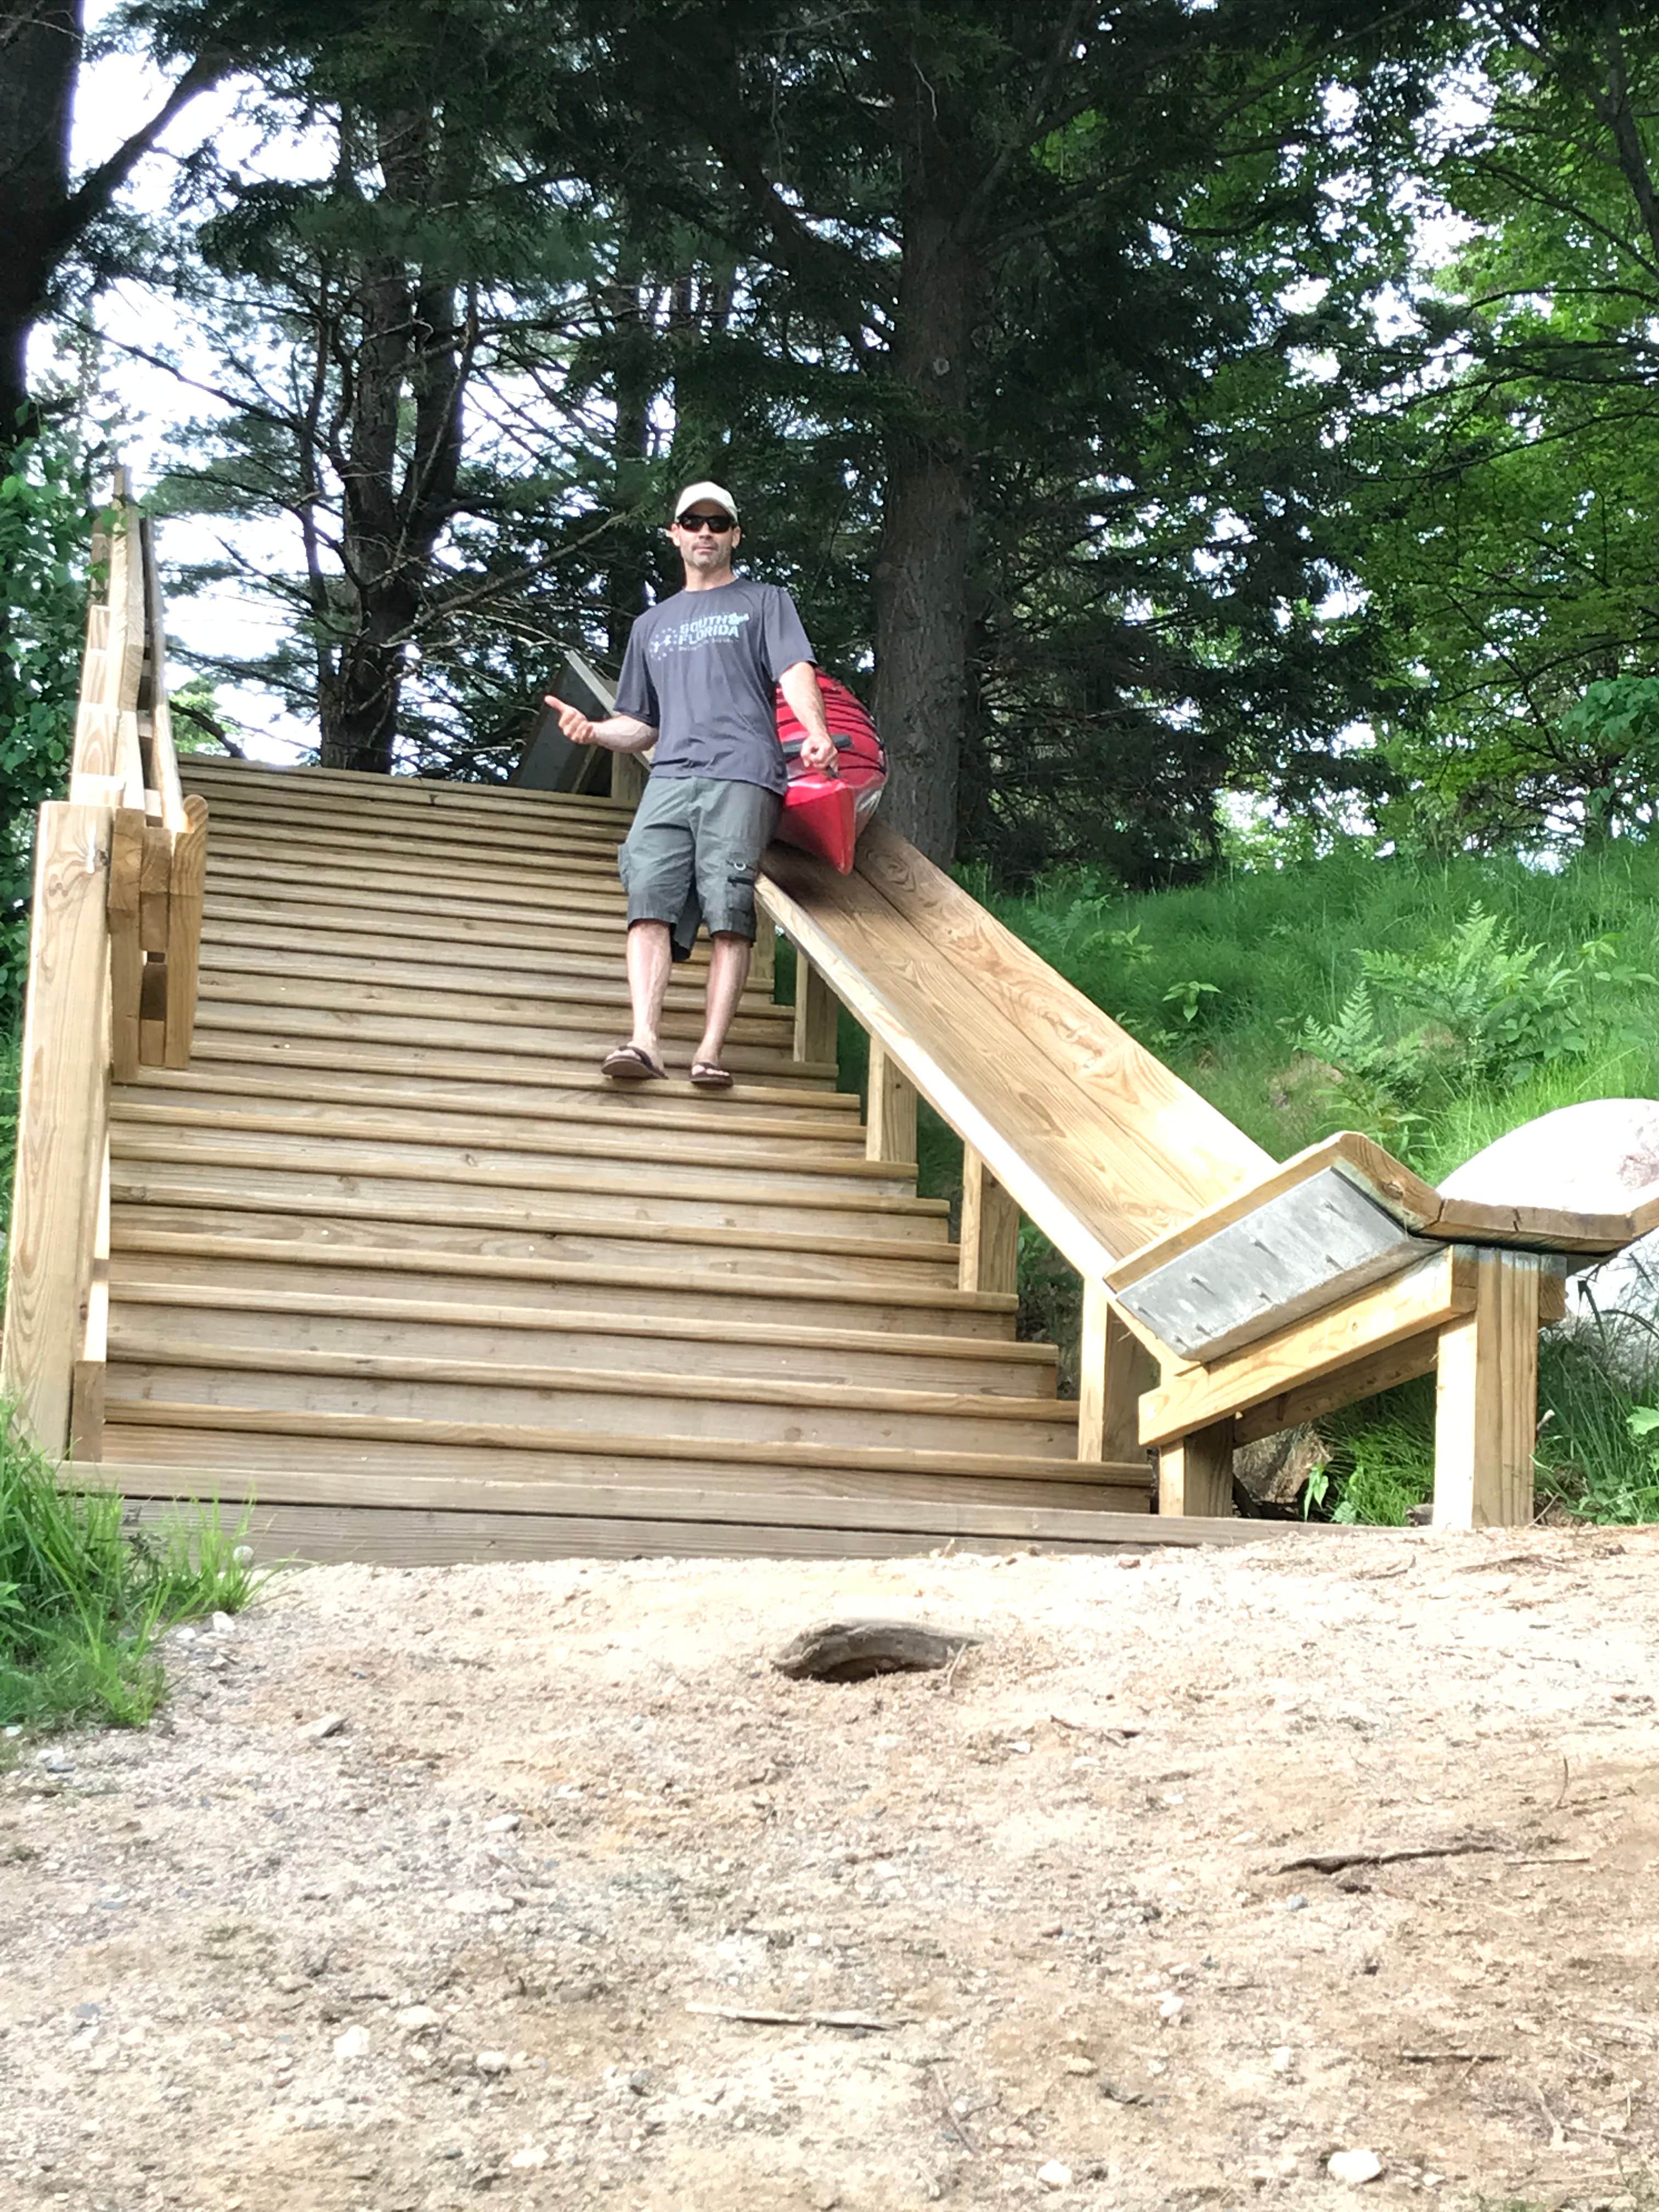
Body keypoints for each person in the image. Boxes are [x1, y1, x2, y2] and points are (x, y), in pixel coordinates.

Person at [544, 481, 835, 1088]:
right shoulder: (651, 624)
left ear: (734, 536)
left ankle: (710, 1052)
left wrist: (815, 730)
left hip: (744, 771)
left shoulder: (764, 600)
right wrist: (595, 733)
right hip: (670, 777)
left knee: (730, 907)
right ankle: (644, 1042)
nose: (705, 532)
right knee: (647, 895)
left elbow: (794, 669)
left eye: (717, 523)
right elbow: (640, 725)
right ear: (675, 533)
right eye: (692, 522)